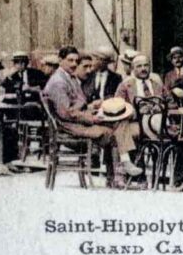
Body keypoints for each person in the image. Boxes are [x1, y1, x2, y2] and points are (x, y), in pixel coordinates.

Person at [42, 46, 142, 178]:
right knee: (113, 132)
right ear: (60, 60)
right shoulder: (59, 82)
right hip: (70, 126)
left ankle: (121, 166)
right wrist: (92, 118)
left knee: (120, 121)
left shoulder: (68, 77)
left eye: (76, 61)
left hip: (77, 120)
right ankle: (118, 173)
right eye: (70, 60)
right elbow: (67, 113)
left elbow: (76, 105)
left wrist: (91, 107)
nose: (74, 64)